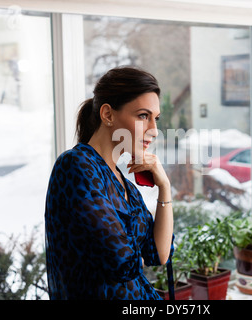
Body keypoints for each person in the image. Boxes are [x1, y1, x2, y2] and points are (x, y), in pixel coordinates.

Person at [44, 66, 174, 300]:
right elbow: (121, 262)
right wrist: (135, 253)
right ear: (108, 115)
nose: (154, 130)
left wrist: (165, 187)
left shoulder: (125, 185)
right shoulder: (76, 166)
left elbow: (159, 254)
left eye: (156, 118)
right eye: (143, 116)